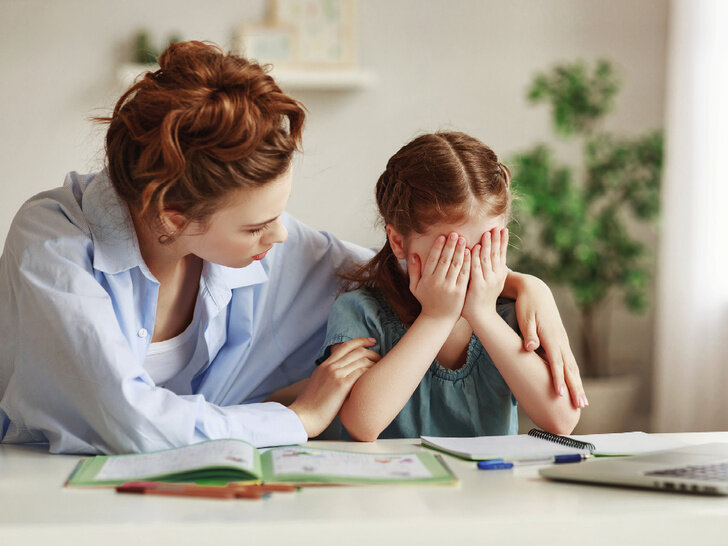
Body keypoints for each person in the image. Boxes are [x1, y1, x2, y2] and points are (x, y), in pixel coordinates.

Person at [0, 41, 582, 455]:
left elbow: (400, 267)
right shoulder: (51, 245)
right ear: (173, 216)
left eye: (278, 217)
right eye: (256, 228)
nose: (279, 238)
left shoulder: (260, 244)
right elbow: (129, 422)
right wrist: (296, 418)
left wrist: (523, 285)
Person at [318, 132, 584, 442]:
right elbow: (363, 424)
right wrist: (436, 318)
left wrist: (483, 314)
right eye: (450, 253)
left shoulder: (512, 312)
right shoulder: (359, 311)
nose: (469, 267)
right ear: (398, 242)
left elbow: (562, 420)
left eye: (485, 247)